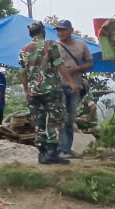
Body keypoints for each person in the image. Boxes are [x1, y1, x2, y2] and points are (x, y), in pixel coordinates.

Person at [19, 21, 80, 165]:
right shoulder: (50, 45)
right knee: (55, 120)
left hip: (33, 92)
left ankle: (42, 155)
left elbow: (22, 72)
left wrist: (26, 91)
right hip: (50, 90)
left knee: (39, 123)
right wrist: (71, 82)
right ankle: (52, 153)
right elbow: (59, 64)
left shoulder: (24, 50)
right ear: (42, 32)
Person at [54, 20, 93, 158]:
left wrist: (78, 68)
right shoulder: (54, 46)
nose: (60, 33)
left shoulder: (81, 45)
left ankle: (66, 148)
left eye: (63, 30)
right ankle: (61, 149)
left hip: (76, 86)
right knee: (62, 118)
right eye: (58, 30)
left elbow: (89, 64)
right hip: (58, 86)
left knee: (70, 118)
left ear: (71, 30)